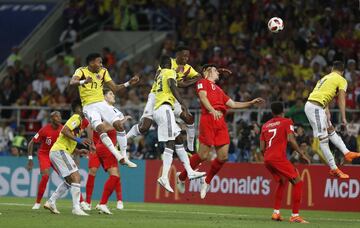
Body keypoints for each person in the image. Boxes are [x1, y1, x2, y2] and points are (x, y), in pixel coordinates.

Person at [176, 64, 264, 198]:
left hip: (220, 122)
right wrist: (212, 110)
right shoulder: (202, 82)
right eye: (216, 70)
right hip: (209, 119)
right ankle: (181, 177)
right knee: (203, 155)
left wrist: (250, 103)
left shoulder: (219, 90)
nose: (218, 72)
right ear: (207, 71)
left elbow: (233, 104)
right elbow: (203, 97)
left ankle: (207, 181)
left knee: (223, 157)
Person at [127, 46, 202, 152]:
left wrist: (210, 72)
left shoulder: (188, 68)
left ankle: (190, 148)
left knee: (188, 118)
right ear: (178, 55)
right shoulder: (168, 63)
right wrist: (185, 86)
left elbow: (199, 76)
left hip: (170, 97)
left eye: (188, 56)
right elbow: (176, 84)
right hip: (156, 96)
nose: (186, 58)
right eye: (184, 56)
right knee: (144, 127)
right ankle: (124, 140)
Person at [70, 53, 138, 167]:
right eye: (99, 62)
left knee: (119, 125)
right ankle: (117, 155)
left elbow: (115, 88)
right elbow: (72, 82)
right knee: (101, 128)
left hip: (102, 103)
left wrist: (128, 83)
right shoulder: (81, 71)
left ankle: (124, 156)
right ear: (91, 63)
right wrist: (83, 81)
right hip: (89, 106)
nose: (101, 64)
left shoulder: (103, 71)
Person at [153, 55, 205, 193]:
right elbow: (173, 86)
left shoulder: (159, 74)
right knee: (170, 143)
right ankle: (164, 177)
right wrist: (182, 103)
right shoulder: (169, 72)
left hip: (161, 109)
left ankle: (189, 171)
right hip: (164, 109)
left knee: (178, 139)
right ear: (169, 64)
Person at [305, 61, 360, 178]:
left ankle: (347, 153)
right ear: (343, 72)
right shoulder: (341, 79)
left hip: (317, 106)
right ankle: (334, 168)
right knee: (323, 139)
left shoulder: (325, 78)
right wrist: (344, 117)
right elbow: (341, 99)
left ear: (332, 69)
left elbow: (322, 94)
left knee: (331, 130)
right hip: (315, 108)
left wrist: (327, 111)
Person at [81, 89, 131, 212]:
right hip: (102, 146)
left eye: (113, 93)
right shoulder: (100, 108)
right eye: (110, 94)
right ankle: (92, 202)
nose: (113, 95)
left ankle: (113, 201)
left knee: (114, 175)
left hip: (108, 146)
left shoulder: (116, 111)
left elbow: (119, 131)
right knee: (102, 173)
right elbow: (93, 126)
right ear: (103, 97)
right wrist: (91, 142)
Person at [260, 102, 311, 224]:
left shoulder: (265, 125)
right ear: (283, 111)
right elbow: (291, 140)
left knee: (282, 181)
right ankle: (295, 215)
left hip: (267, 159)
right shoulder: (287, 121)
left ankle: (276, 213)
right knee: (298, 182)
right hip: (278, 158)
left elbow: (262, 148)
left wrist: (268, 157)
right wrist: (302, 154)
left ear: (272, 112)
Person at [44, 101, 91, 216]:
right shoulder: (76, 117)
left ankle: (51, 202)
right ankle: (76, 208)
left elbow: (67, 139)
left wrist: (78, 150)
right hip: (60, 151)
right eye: (86, 106)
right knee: (76, 177)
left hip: (59, 151)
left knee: (70, 180)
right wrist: (79, 140)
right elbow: (64, 131)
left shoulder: (79, 124)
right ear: (79, 108)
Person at [26, 111, 63, 210]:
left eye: (60, 116)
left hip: (56, 155)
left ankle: (80, 202)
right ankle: (37, 203)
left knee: (70, 177)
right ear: (51, 119)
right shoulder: (44, 130)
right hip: (45, 154)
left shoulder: (63, 129)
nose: (59, 118)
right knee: (45, 176)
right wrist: (30, 159)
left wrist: (76, 153)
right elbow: (31, 143)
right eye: (56, 116)